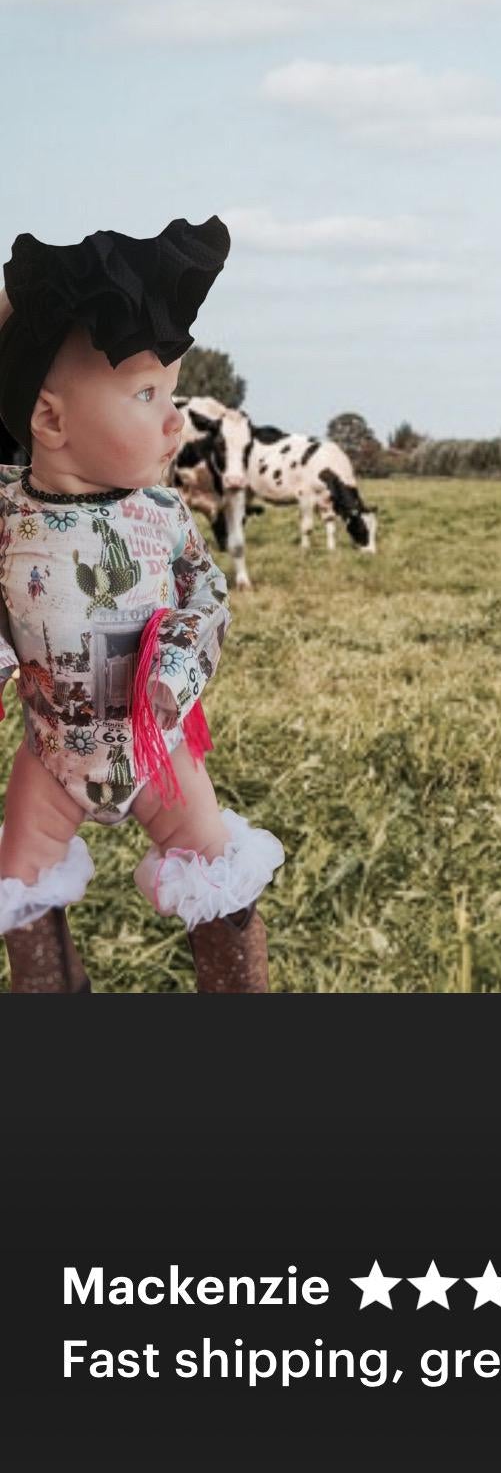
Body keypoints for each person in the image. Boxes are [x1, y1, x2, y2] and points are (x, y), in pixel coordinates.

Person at [0, 217, 283, 993]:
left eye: (175, 392)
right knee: (19, 877)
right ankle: (50, 987)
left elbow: (207, 590)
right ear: (50, 419)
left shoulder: (162, 515)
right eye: (147, 392)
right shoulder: (8, 517)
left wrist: (183, 656)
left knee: (213, 863)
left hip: (158, 747)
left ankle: (233, 980)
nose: (173, 419)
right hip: (53, 755)